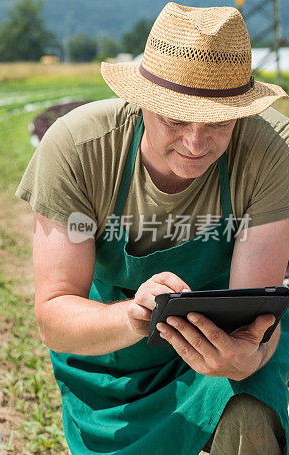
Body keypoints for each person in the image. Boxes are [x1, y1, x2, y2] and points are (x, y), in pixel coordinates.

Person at [15, 2, 289, 454]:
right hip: (111, 355)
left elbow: (255, 307)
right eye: (176, 118)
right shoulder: (80, 150)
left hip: (219, 347)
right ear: (142, 102)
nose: (196, 143)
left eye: (219, 122)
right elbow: (55, 315)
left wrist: (250, 355)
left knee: (249, 415)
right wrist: (134, 316)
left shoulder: (270, 151)